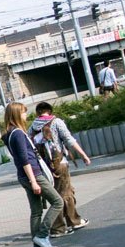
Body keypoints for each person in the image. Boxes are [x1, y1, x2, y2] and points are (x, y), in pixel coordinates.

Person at [2, 102, 63, 247]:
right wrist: (34, 181)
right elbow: (24, 159)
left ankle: (37, 245)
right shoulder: (17, 133)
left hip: (24, 176)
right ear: (17, 114)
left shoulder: (9, 133)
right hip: (33, 174)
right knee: (58, 202)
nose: (26, 115)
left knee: (36, 211)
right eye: (23, 112)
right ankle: (42, 235)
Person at [29, 101, 91, 236]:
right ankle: (68, 224)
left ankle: (63, 224)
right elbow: (69, 140)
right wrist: (83, 155)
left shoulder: (33, 126)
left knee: (55, 195)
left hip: (45, 167)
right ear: (50, 111)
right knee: (66, 193)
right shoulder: (56, 122)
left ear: (38, 113)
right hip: (59, 164)